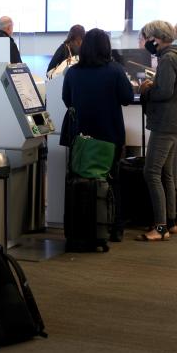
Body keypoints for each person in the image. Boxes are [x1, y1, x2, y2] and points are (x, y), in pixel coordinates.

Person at [61, 28, 134, 242]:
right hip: (110, 136)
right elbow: (127, 98)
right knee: (112, 180)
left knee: (80, 177)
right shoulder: (115, 70)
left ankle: (82, 225)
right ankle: (115, 228)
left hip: (81, 137)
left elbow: (67, 100)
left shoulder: (73, 72)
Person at [137, 20, 177, 241]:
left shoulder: (168, 59)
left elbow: (164, 93)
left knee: (151, 172)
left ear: (156, 39)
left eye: (145, 38)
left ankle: (160, 227)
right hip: (174, 123)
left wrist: (147, 89)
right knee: (167, 173)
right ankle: (171, 222)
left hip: (165, 123)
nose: (144, 42)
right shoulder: (174, 55)